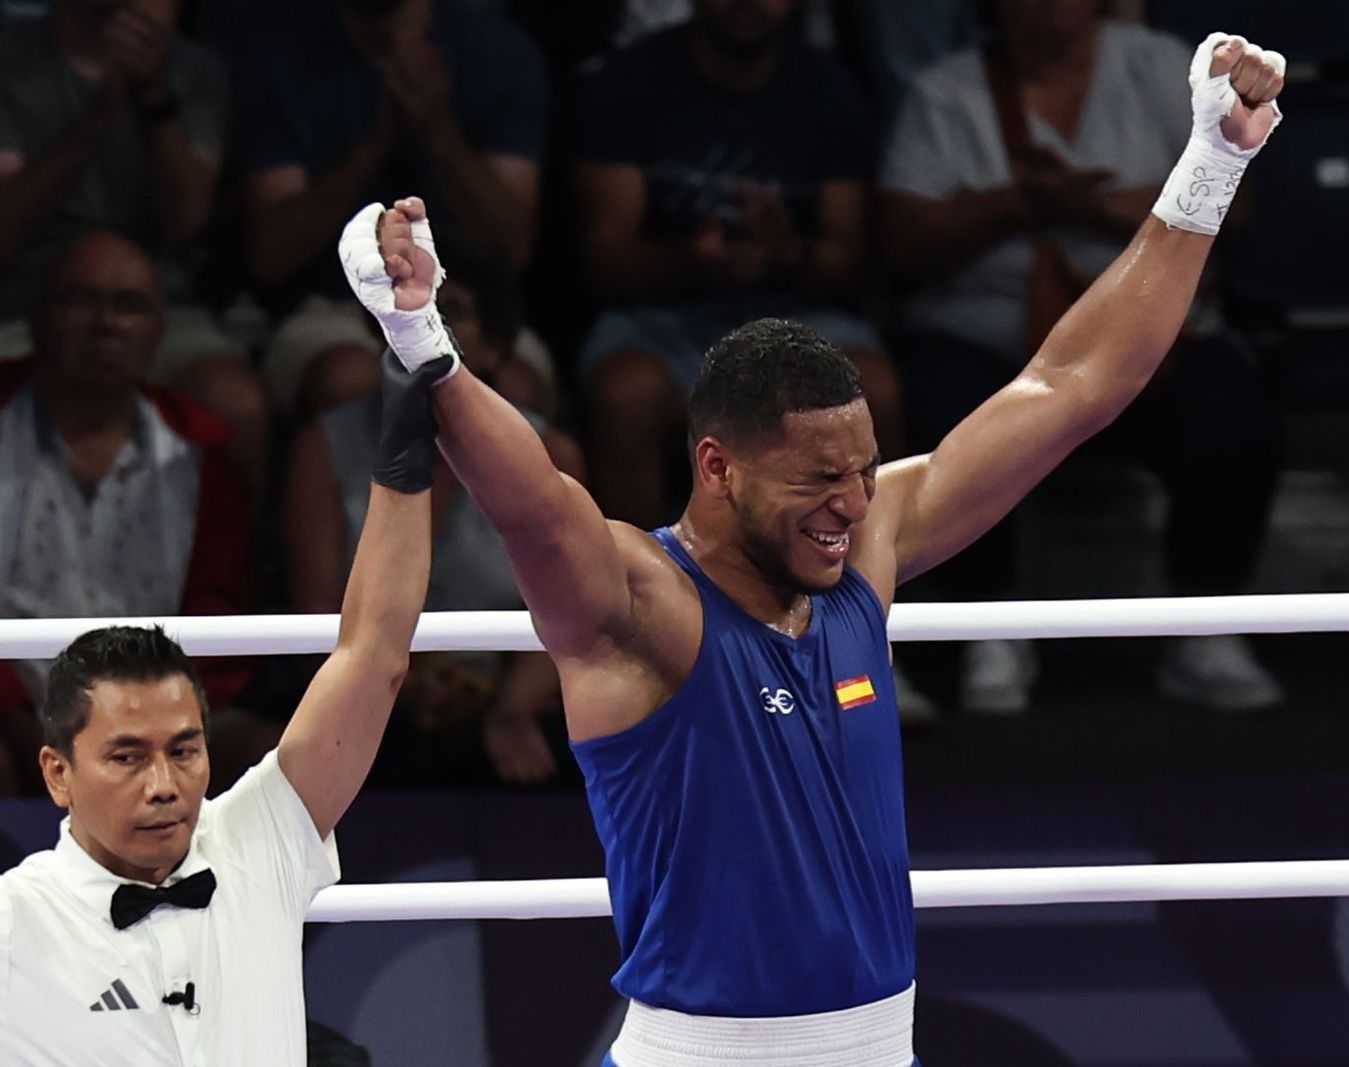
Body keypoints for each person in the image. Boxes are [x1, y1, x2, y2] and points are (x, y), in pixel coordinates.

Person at [343, 30, 1285, 1065]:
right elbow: (532, 504)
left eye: (861, 470)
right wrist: (423, 344)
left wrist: (1211, 163)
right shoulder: (642, 606)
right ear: (718, 468)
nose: (851, 504)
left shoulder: (864, 549)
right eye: (816, 481)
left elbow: (1072, 387)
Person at [0, 332, 447, 1062]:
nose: (164, 785)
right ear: (57, 772)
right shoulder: (14, 922)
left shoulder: (256, 837)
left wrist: (403, 438)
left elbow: (373, 657)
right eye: (126, 755)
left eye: (184, 750)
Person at [878, 0, 1284, 713]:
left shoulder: (1159, 65)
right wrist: (1023, 204)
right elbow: (903, 237)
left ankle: (1205, 624)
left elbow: (1242, 215)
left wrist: (1204, 163)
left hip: (1156, 335)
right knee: (949, 405)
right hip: (983, 331)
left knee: (1233, 417)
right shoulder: (945, 90)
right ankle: (981, 626)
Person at [571, 0, 904, 528]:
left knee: (875, 388)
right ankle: (636, 593)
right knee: (626, 395)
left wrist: (786, 252)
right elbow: (604, 260)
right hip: (663, 318)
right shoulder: (628, 83)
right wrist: (695, 262)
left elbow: (852, 261)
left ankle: (860, 589)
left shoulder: (828, 89)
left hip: (798, 316)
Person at [284, 233, 585, 786]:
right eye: (407, 312)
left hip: (504, 694)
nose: (423, 326)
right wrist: (391, 682)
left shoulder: (549, 454)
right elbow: (316, 607)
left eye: (450, 312)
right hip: (364, 688)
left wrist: (511, 706)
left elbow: (577, 603)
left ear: (496, 346)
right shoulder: (324, 446)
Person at [0, 232, 256, 796]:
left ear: (158, 330)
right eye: (80, 301)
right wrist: (19, 720)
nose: (106, 323)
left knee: (270, 758)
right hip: (9, 709)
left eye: (129, 305)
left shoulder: (203, 452)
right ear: (38, 319)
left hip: (161, 707)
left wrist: (161, 719)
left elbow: (220, 614)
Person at [0, 0, 270, 494]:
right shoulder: (11, 57)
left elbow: (186, 219)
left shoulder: (193, 70)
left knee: (234, 402)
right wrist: (94, 122)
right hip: (27, 304)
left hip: (162, 304)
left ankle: (223, 567)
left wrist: (152, 97)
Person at [233, 0, 548, 419]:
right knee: (348, 379)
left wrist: (438, 133)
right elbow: (270, 256)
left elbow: (511, 248)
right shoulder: (279, 54)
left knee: (514, 385)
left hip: (468, 301)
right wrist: (374, 146)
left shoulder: (500, 51)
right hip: (332, 305)